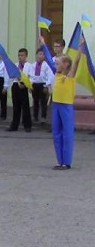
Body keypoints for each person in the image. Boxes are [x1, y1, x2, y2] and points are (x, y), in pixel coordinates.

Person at [41, 35, 82, 170]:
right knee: (56, 133)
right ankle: (60, 161)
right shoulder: (57, 74)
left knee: (67, 134)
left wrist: (80, 47)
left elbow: (76, 62)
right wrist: (43, 44)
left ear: (66, 65)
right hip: (56, 106)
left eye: (58, 63)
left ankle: (66, 162)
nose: (56, 65)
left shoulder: (69, 76)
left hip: (66, 107)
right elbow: (48, 59)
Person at [7, 48, 33, 132]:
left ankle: (27, 125)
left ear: (26, 56)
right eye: (19, 55)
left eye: (22, 55)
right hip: (16, 85)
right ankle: (14, 125)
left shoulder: (29, 65)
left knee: (25, 106)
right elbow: (11, 76)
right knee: (16, 107)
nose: (20, 57)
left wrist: (26, 85)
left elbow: (31, 77)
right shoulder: (15, 65)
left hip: (24, 85)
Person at [30, 48, 53, 124]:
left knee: (43, 102)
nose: (41, 56)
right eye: (40, 54)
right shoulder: (33, 65)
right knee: (35, 101)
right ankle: (35, 116)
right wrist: (30, 84)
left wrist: (46, 86)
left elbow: (49, 76)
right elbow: (31, 76)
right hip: (35, 84)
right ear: (36, 55)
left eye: (43, 54)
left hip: (43, 84)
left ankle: (43, 117)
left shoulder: (46, 65)